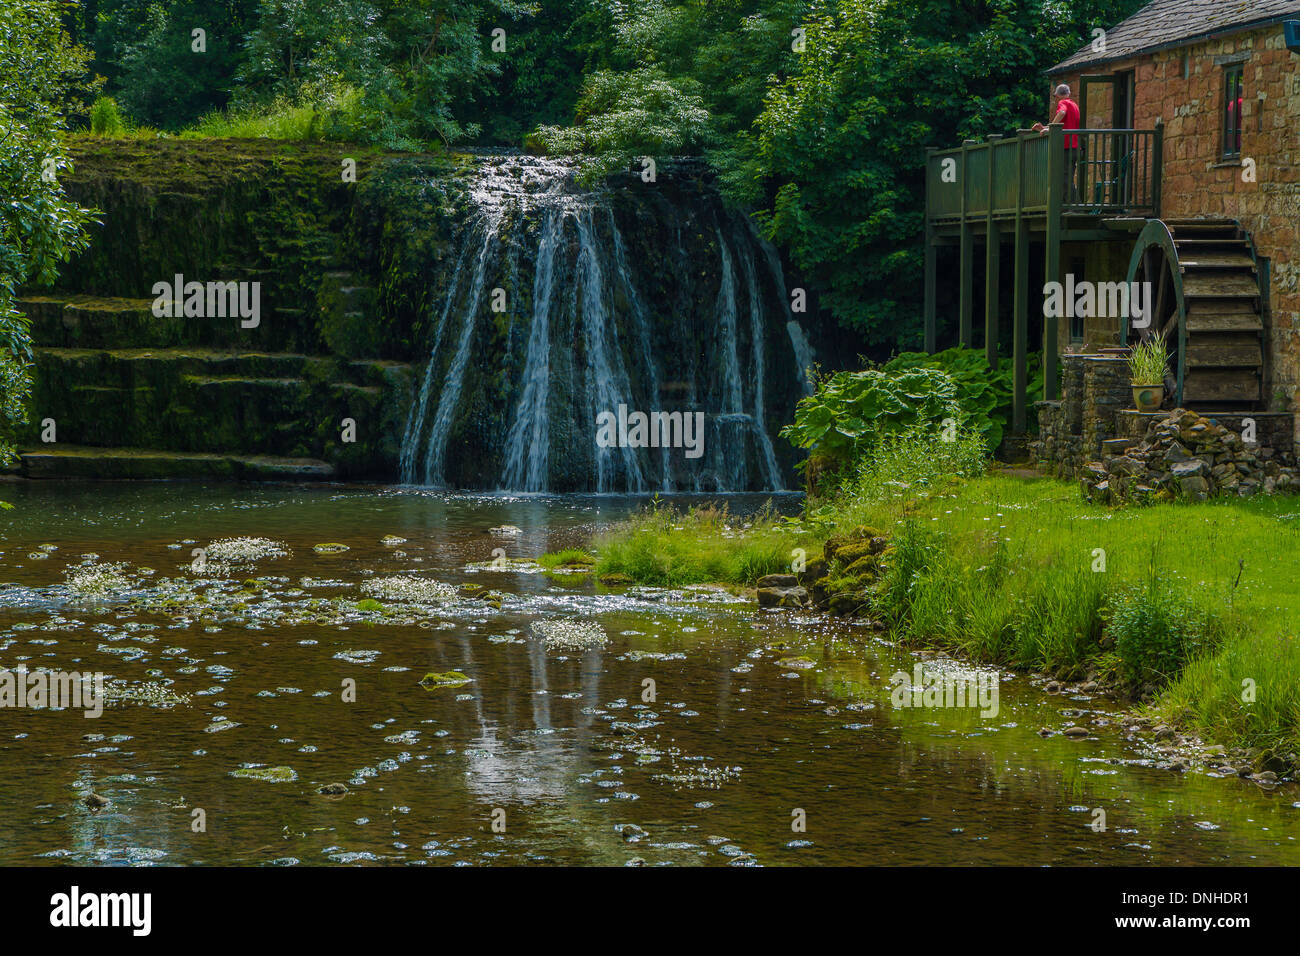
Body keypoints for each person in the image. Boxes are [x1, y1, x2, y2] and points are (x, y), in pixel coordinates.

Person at [1033, 84, 1082, 203]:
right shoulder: (1074, 105)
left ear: (1058, 96)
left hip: (1066, 146)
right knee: (1067, 177)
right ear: (1068, 93)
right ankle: (1067, 205)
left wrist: (1051, 128)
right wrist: (1044, 128)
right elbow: (1067, 124)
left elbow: (1062, 113)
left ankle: (1075, 207)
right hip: (1075, 147)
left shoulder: (1063, 103)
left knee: (1064, 178)